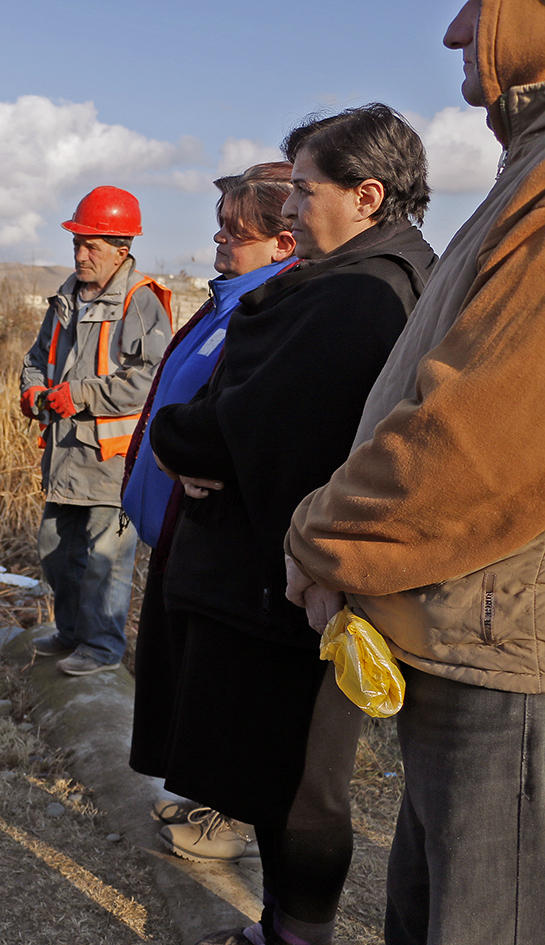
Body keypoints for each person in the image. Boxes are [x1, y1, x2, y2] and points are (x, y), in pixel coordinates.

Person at [285, 3, 545, 942]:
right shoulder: (525, 171)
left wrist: (323, 537)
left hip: (507, 657)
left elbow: (478, 438)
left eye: (480, 6)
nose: (453, 33)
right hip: (470, 631)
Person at [151, 105, 435, 945]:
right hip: (286, 574)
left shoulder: (357, 296)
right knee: (286, 778)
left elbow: (256, 423)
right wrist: (190, 432)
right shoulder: (370, 277)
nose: (287, 210)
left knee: (301, 785)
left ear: (366, 195)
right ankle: (284, 929)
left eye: (304, 191)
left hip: (298, 585)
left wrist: (172, 435)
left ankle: (294, 936)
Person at [122, 163, 298, 861]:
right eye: (221, 227)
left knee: (227, 685)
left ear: (283, 243)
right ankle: (209, 795)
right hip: (177, 533)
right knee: (191, 676)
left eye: (237, 231)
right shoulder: (226, 303)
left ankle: (233, 816)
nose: (220, 242)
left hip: (218, 540)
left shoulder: (269, 311)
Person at [19, 186, 171, 676]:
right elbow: (37, 358)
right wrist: (33, 389)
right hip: (65, 455)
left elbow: (151, 381)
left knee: (106, 562)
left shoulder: (140, 300)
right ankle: (70, 634)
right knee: (56, 552)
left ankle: (103, 650)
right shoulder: (66, 296)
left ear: (121, 250)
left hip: (113, 462)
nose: (81, 255)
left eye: (92, 246)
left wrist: (78, 395)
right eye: (77, 244)